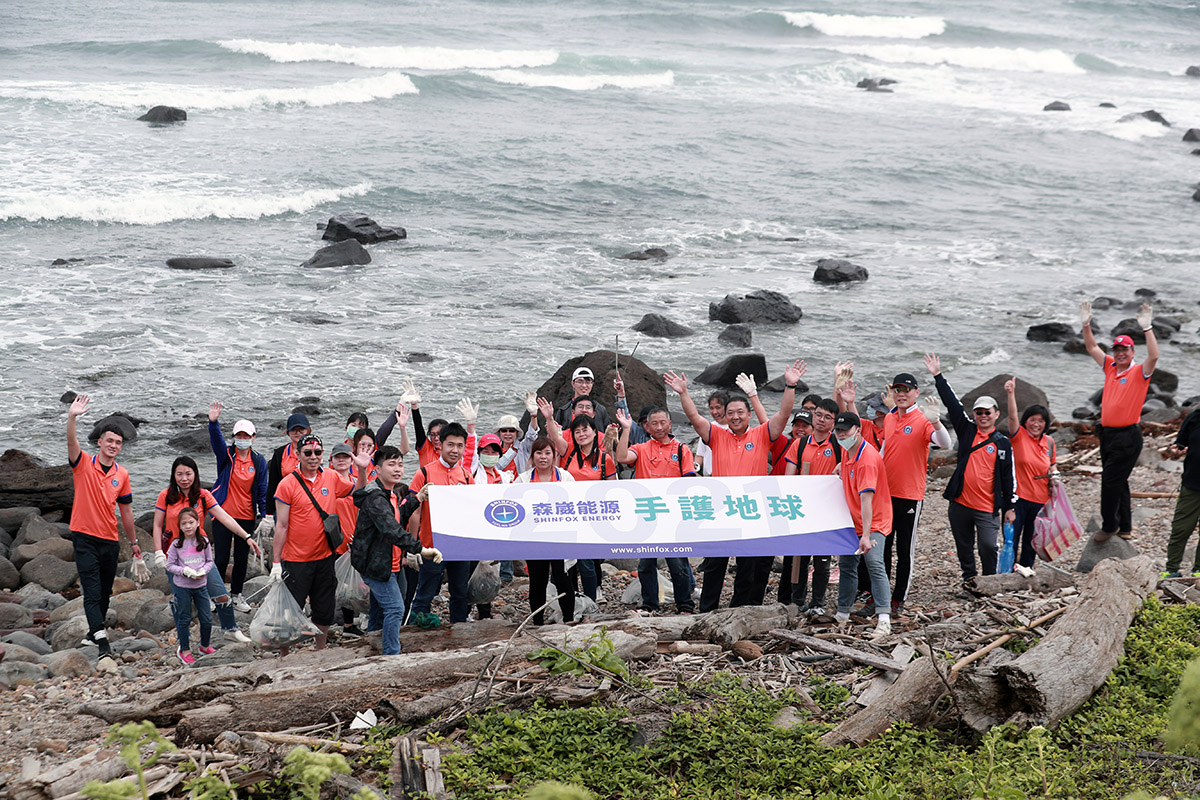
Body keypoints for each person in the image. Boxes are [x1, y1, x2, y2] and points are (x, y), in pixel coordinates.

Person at [666, 360, 806, 611]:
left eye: (740, 412)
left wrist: (790, 386)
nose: (735, 416)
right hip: (722, 509)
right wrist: (684, 393)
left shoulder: (762, 434)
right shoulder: (717, 435)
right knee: (715, 564)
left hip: (751, 510)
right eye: (730, 413)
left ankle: (739, 610)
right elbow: (694, 418)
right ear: (725, 416)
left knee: (747, 566)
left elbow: (784, 414)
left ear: (749, 415)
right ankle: (707, 610)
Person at [271, 434, 369, 653]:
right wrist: (276, 563)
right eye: (307, 453)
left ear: (323, 454)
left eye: (317, 452)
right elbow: (282, 526)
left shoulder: (331, 477)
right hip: (296, 559)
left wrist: (362, 470)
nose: (313, 457)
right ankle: (285, 655)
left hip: (325, 556)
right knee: (290, 609)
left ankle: (320, 651)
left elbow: (358, 493)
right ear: (298, 455)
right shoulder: (287, 484)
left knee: (324, 608)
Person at [928, 353, 1017, 586]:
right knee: (964, 546)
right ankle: (969, 580)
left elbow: (1009, 477)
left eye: (988, 412)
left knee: (988, 546)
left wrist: (1010, 507)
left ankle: (988, 581)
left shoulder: (1002, 443)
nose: (983, 416)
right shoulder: (967, 431)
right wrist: (938, 376)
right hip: (960, 504)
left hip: (987, 507)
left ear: (997, 414)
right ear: (974, 415)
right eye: (979, 412)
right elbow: (953, 404)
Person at [150, 456, 259, 643]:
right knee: (180, 599)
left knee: (220, 592)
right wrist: (159, 552)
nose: (184, 478)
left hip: (200, 553)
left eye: (188, 473)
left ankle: (231, 629)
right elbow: (157, 525)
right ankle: (184, 637)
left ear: (195, 474)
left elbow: (224, 517)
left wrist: (246, 536)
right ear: (173, 475)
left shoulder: (202, 496)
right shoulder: (165, 495)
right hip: (175, 555)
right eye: (179, 474)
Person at [66, 394, 139, 661]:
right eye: (109, 441)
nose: (113, 445)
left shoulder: (122, 474)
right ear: (100, 442)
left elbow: (126, 511)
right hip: (84, 536)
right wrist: (72, 416)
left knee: (105, 591)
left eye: (118, 443)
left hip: (109, 539)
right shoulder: (83, 464)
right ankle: (102, 641)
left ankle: (91, 633)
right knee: (92, 590)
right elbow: (71, 442)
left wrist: (134, 543)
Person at [351, 445, 443, 655]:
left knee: (381, 608)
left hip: (390, 562)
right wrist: (421, 550)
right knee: (395, 608)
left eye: (400, 464)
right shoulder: (376, 498)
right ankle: (391, 654)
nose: (397, 469)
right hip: (376, 564)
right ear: (378, 468)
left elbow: (397, 517)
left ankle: (374, 644)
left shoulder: (389, 494)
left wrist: (417, 499)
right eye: (391, 464)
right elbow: (391, 529)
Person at [1081, 301, 1159, 540]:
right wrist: (1086, 325)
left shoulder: (1139, 372)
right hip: (1108, 435)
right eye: (1117, 349)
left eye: (1125, 349)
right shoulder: (1110, 366)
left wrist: (1147, 328)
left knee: (1110, 482)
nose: (1120, 353)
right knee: (1119, 481)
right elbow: (1092, 347)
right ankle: (1125, 526)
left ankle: (1109, 526)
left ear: (1132, 352)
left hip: (1127, 436)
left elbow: (1154, 356)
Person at [878, 373, 951, 614]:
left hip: (909, 495)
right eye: (897, 390)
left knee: (904, 550)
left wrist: (937, 422)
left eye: (906, 390)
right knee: (883, 548)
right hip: (885, 493)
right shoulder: (890, 417)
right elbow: (884, 450)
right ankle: (881, 596)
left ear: (916, 393)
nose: (901, 394)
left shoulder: (922, 419)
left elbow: (946, 444)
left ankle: (898, 599)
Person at [614, 406, 697, 614]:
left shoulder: (682, 449)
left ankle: (685, 605)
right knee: (645, 565)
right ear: (647, 427)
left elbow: (689, 484)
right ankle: (649, 604)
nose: (659, 427)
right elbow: (621, 457)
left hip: (672, 517)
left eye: (662, 422)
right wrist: (626, 429)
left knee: (678, 564)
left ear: (670, 424)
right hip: (647, 516)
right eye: (654, 424)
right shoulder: (641, 448)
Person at [407, 417, 476, 627]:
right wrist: (412, 547)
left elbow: (473, 511)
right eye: (450, 444)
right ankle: (414, 633)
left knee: (460, 592)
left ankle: (458, 631)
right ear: (441, 444)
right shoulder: (424, 473)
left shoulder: (466, 477)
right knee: (425, 593)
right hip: (431, 545)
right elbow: (414, 511)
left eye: (460, 446)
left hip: (460, 546)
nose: (455, 450)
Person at [831, 412, 893, 640]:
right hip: (852, 519)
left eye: (845, 431)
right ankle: (842, 613)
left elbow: (867, 500)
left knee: (875, 564)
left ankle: (884, 618)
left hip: (874, 520)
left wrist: (866, 535)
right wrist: (841, 465)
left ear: (857, 430)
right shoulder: (847, 451)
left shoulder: (867, 459)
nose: (841, 435)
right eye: (838, 431)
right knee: (847, 565)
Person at [780, 399, 841, 614]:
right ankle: (797, 601)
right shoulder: (800, 444)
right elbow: (788, 477)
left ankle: (817, 603)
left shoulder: (838, 445)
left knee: (822, 561)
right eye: (819, 415)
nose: (822, 420)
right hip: (803, 509)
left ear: (834, 422)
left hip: (828, 511)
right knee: (800, 558)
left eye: (828, 417)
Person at [207, 402, 268, 613]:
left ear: (253, 437)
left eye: (246, 436)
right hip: (223, 515)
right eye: (239, 435)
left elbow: (262, 490)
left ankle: (236, 595)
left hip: (246, 517)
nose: (242, 439)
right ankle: (215, 595)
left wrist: (265, 515)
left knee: (242, 559)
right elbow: (216, 441)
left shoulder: (259, 461)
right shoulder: (227, 456)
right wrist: (213, 423)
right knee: (221, 558)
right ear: (234, 437)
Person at [517, 437, 576, 625]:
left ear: (554, 455)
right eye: (539, 453)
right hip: (535, 539)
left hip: (561, 538)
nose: (543, 457)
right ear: (532, 456)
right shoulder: (523, 480)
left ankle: (568, 621)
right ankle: (537, 623)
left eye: (547, 453)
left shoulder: (565, 477)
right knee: (537, 581)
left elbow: (576, 504)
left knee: (563, 579)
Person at [1004, 378, 1057, 569]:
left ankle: (1026, 572)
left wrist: (1055, 473)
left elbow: (1052, 464)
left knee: (1031, 543)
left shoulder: (1049, 442)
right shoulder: (1018, 436)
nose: (1036, 424)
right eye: (1032, 420)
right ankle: (1006, 573)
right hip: (1018, 499)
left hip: (1041, 501)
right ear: (1026, 421)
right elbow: (1012, 418)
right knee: (1011, 540)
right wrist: (1011, 394)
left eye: (1041, 421)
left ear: (1046, 423)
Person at [165, 508, 215, 664]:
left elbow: (210, 561)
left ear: (198, 523)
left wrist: (203, 571)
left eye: (191, 522)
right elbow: (169, 565)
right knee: (184, 618)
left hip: (201, 585)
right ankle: (185, 649)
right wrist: (184, 571)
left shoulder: (204, 542)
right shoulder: (176, 544)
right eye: (184, 523)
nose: (188, 526)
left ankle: (204, 646)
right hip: (183, 587)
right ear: (179, 526)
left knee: (206, 619)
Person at [1164, 407, 1200, 578]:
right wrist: (1176, 450)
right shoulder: (1194, 418)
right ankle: (1171, 569)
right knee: (1180, 529)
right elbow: (1180, 444)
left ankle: (1198, 570)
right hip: (1192, 484)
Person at [266, 413, 311, 517]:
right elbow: (273, 484)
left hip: (308, 504)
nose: (297, 433)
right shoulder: (280, 453)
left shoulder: (314, 451)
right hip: (283, 504)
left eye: (301, 429)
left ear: (308, 430)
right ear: (288, 432)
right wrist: (269, 513)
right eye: (294, 430)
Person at [554, 367, 612, 431]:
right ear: (573, 384)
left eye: (588, 382)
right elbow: (556, 434)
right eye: (580, 381)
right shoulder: (563, 411)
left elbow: (607, 434)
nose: (584, 385)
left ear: (592, 384)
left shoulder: (601, 410)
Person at [692, 390, 729, 477]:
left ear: (727, 407)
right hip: (708, 478)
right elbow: (700, 456)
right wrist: (693, 469)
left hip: (728, 477)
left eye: (718, 407)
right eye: (711, 408)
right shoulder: (708, 428)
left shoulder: (736, 428)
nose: (714, 412)